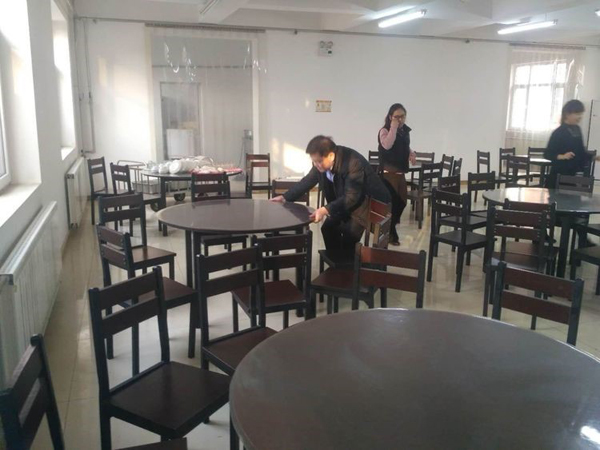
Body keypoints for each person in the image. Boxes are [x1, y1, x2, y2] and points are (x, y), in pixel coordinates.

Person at [271, 135, 390, 260]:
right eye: (314, 161)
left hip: (365, 205)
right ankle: (337, 263)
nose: (316, 165)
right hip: (346, 202)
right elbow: (307, 181)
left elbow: (352, 197)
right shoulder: (321, 163)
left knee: (349, 238)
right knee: (328, 228)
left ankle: (347, 267)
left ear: (331, 156)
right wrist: (285, 197)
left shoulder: (352, 162)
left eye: (319, 161)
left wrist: (325, 210)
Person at [378, 103, 416, 245]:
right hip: (389, 174)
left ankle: (389, 230)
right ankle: (391, 234)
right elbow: (387, 145)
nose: (400, 120)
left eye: (402, 116)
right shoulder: (384, 131)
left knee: (402, 202)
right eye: (396, 117)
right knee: (393, 205)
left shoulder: (404, 131)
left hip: (400, 173)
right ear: (390, 117)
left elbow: (404, 145)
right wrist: (393, 127)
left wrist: (411, 153)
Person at [544, 99, 590, 189]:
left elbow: (581, 152)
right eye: (577, 114)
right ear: (567, 114)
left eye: (581, 114)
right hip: (557, 176)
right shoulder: (558, 132)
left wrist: (594, 157)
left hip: (571, 176)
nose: (580, 117)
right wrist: (562, 156)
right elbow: (547, 154)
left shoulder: (577, 129)